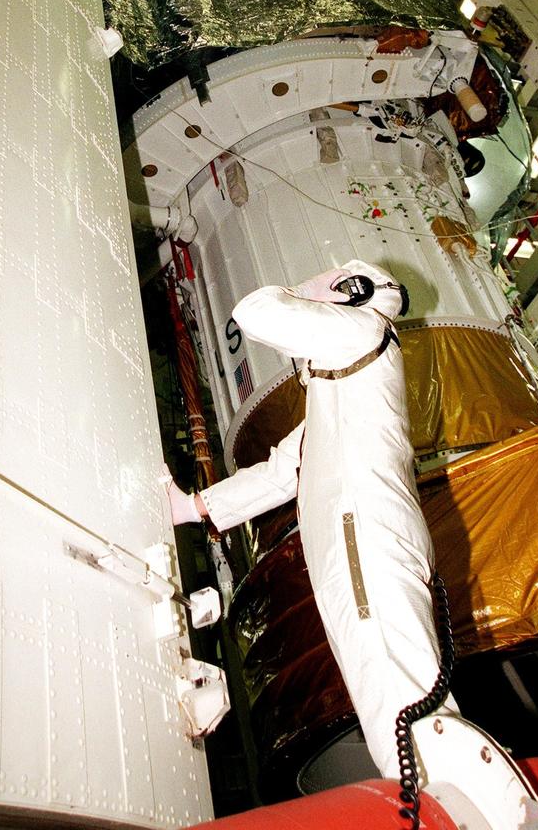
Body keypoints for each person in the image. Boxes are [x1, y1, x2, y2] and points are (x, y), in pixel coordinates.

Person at [165, 260, 458, 779]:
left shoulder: (364, 330)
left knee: (398, 696)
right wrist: (194, 509)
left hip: (362, 534)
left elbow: (254, 313)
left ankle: (451, 800)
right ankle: (436, 793)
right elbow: (284, 471)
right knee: (387, 694)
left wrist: (307, 289)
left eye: (336, 286)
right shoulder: (345, 386)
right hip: (357, 538)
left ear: (352, 295)